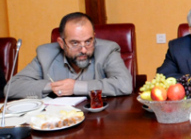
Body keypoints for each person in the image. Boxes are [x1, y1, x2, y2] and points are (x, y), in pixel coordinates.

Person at [3, 12, 132, 99]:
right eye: (75, 43)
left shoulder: (107, 50)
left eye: (88, 41)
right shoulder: (45, 54)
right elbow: (11, 88)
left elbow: (124, 84)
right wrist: (54, 87)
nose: (83, 50)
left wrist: (75, 87)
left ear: (94, 37)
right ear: (61, 43)